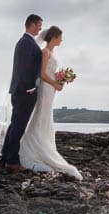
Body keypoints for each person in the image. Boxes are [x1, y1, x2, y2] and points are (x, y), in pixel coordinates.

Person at [16, 25, 82, 179]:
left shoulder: (52, 52)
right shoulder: (45, 52)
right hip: (45, 88)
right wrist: (54, 83)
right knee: (40, 116)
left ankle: (42, 141)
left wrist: (61, 79)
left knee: (45, 117)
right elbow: (42, 73)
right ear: (54, 37)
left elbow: (51, 72)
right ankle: (35, 147)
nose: (62, 40)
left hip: (50, 89)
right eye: (60, 37)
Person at [0, 14, 44, 173]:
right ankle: (12, 161)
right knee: (18, 126)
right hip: (24, 91)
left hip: (21, 90)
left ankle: (5, 158)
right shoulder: (26, 43)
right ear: (31, 24)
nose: (40, 28)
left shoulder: (26, 42)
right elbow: (23, 68)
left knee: (15, 125)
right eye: (38, 25)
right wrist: (29, 87)